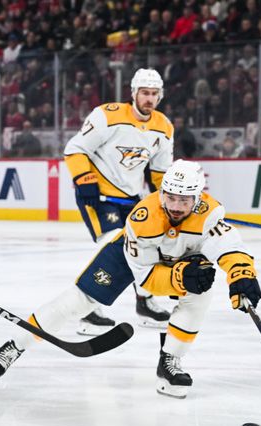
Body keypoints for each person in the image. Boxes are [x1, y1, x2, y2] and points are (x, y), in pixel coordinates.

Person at [0, 160, 261, 399]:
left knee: (200, 292)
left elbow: (231, 249)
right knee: (77, 301)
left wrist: (242, 275)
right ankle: (15, 345)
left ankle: (169, 362)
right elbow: (147, 280)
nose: (176, 206)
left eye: (184, 200)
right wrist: (179, 277)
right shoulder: (143, 219)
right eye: (171, 198)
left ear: (197, 199)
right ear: (162, 192)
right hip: (131, 258)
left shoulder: (209, 216)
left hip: (182, 258)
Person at [63, 68, 174, 335]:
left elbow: (159, 172)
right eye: (144, 93)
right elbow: (75, 149)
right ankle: (87, 309)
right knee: (110, 244)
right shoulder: (107, 115)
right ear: (133, 93)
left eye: (153, 94)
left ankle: (145, 302)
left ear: (160, 96)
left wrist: (169, 200)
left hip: (132, 199)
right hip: (98, 195)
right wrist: (84, 178)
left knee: (144, 246)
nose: (148, 98)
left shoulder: (164, 126)